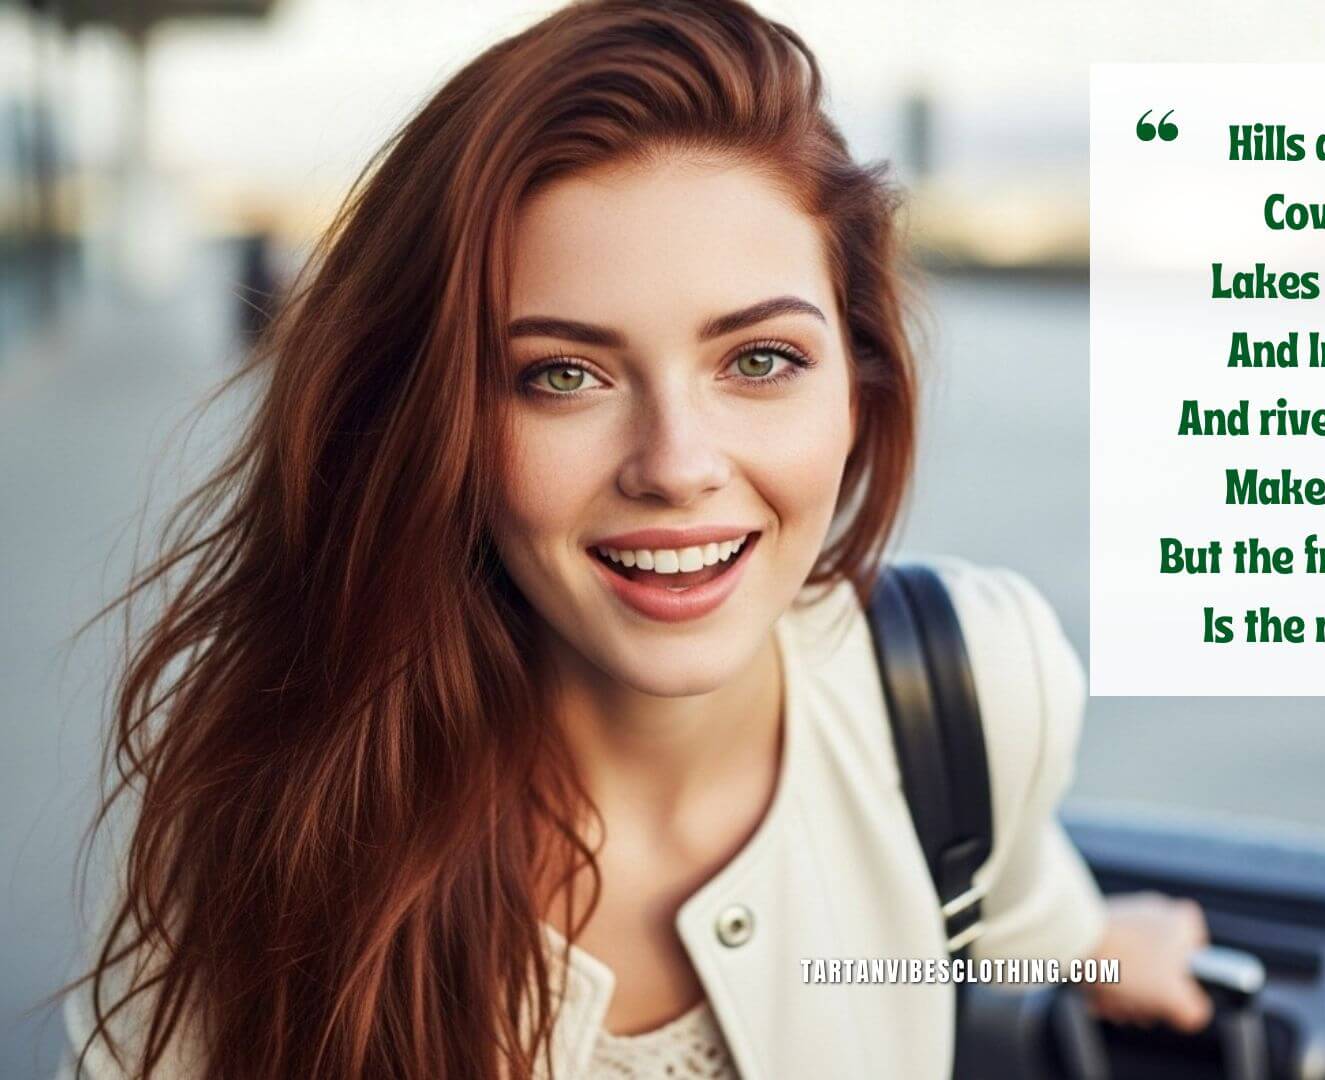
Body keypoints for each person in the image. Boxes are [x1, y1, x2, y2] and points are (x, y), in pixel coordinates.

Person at [54, 2, 1211, 1077]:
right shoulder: (268, 803)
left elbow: (977, 938)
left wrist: (1106, 952)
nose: (675, 462)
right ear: (436, 423)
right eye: (563, 375)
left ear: (857, 387)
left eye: (760, 361)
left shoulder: (964, 697)